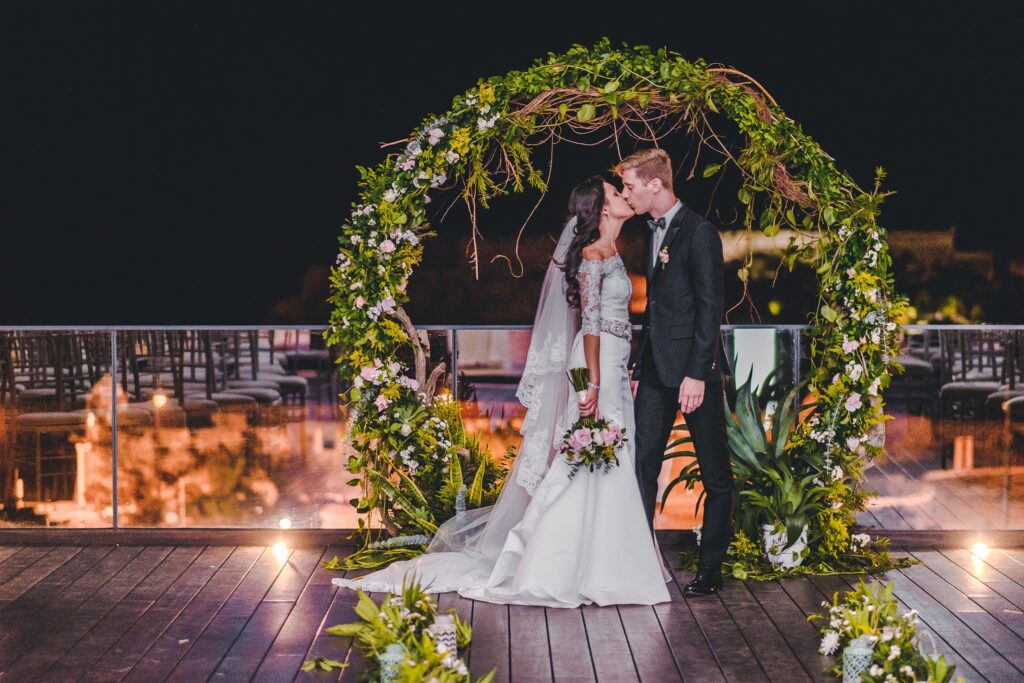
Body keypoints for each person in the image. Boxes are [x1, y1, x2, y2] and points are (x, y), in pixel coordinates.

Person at [331, 175, 670, 608]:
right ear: (603, 207)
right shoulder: (590, 255)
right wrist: (594, 384)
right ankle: (563, 562)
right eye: (615, 192)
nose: (624, 196)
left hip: (615, 369)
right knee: (586, 462)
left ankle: (605, 562)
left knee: (607, 463)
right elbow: (589, 326)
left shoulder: (613, 251)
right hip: (596, 370)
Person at [616, 148, 734, 597]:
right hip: (654, 373)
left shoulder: (700, 232)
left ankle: (711, 569)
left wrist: (698, 374)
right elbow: (659, 309)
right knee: (641, 467)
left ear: (655, 184)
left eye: (630, 185)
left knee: (715, 473)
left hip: (693, 375)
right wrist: (638, 362)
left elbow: (709, 309)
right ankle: (640, 561)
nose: (627, 193)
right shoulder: (653, 232)